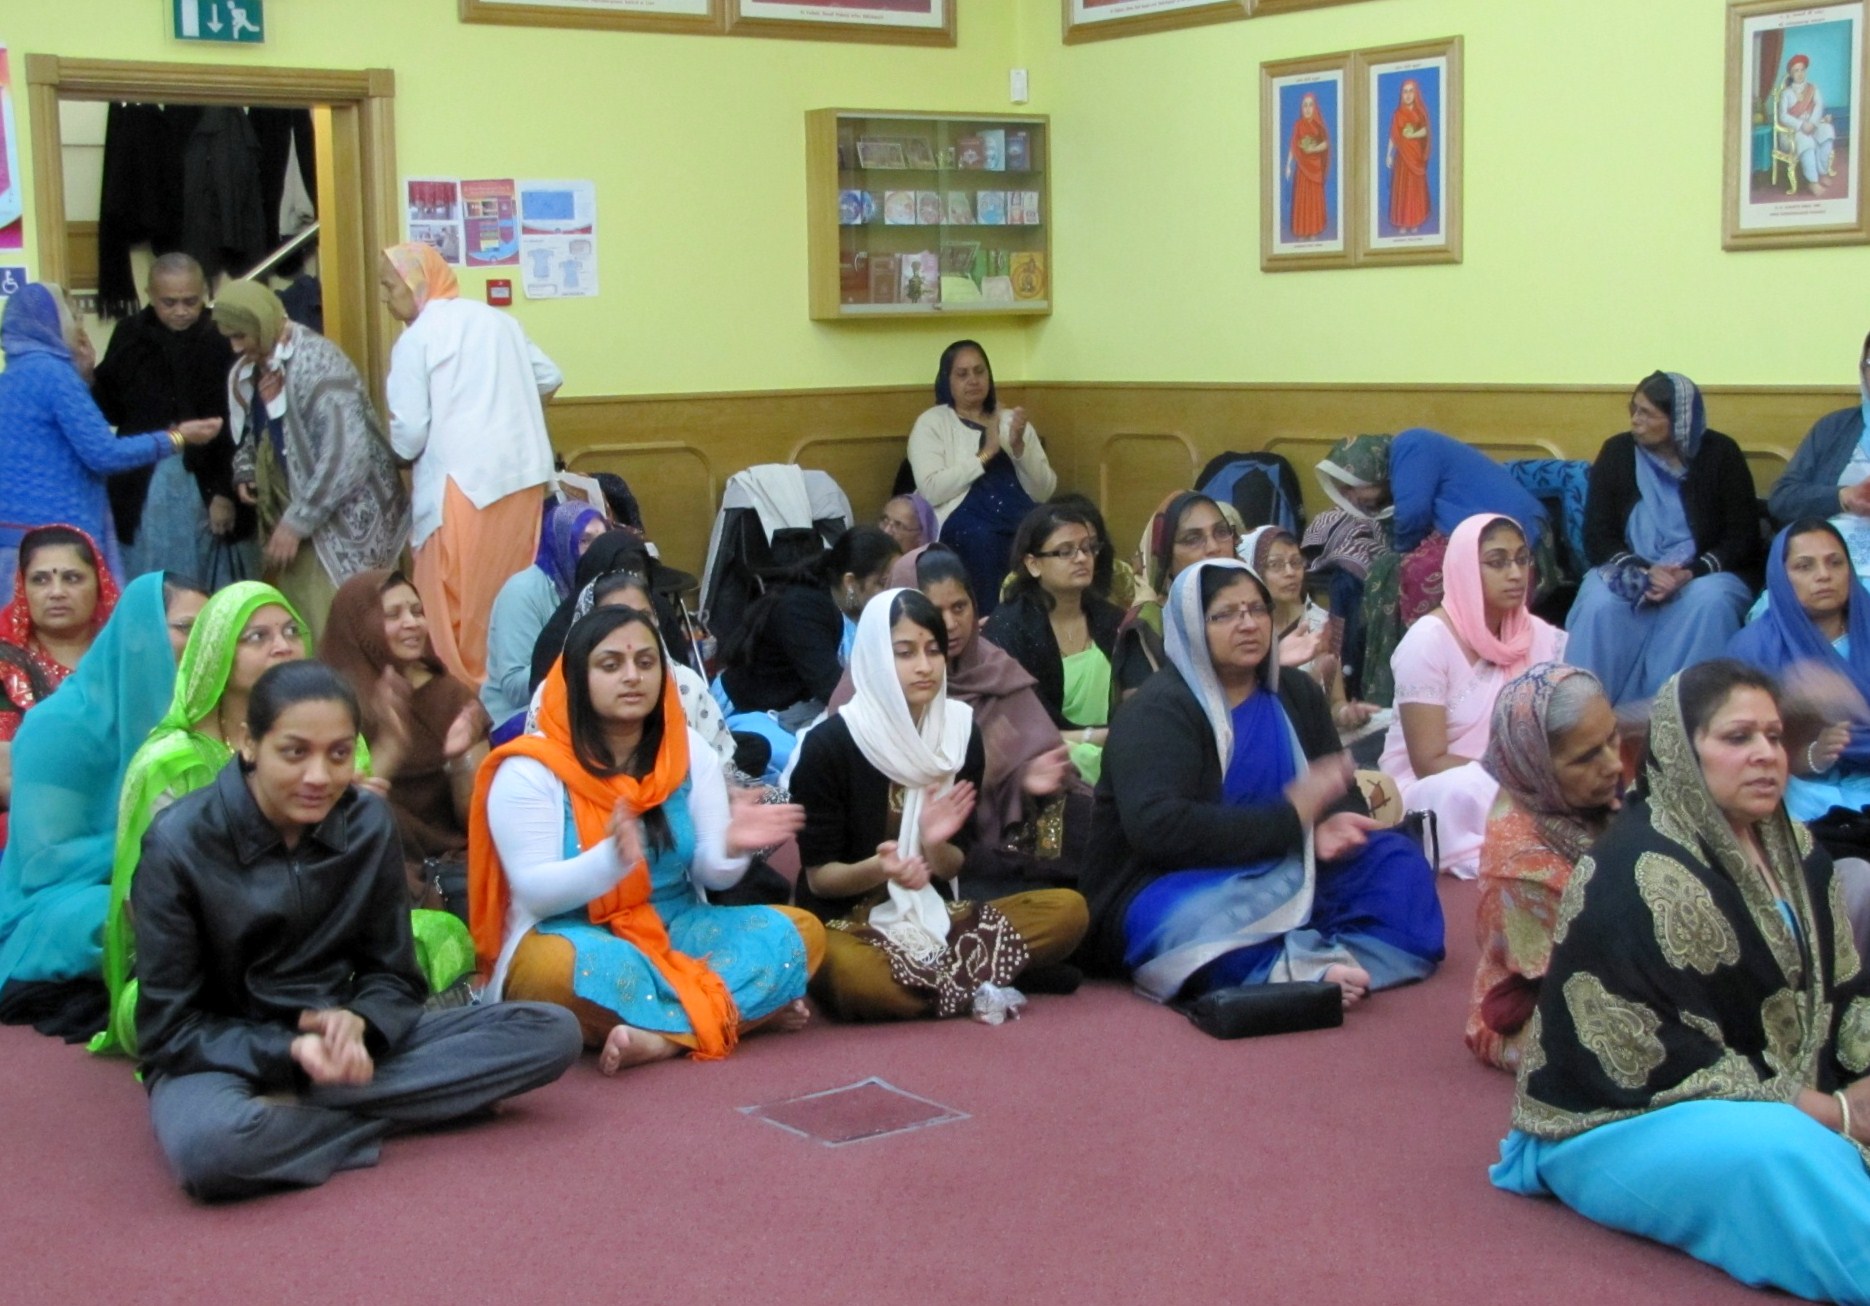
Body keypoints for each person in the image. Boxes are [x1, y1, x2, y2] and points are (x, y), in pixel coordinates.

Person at [1490, 660, 1870, 1306]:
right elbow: (1650, 1050)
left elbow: (1844, 990)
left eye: (1775, 738)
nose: (1765, 756)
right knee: (1783, 1153)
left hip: (1787, 1091)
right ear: (1681, 750)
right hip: (1618, 1116)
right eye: (1737, 738)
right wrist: (1827, 1108)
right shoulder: (1628, 868)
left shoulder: (1800, 851)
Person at [134, 660, 580, 1201]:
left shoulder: (366, 824)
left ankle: (297, 1119)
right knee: (213, 1149)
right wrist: (291, 1052)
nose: (319, 776)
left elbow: (394, 979)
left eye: (339, 754)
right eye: (295, 752)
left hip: (349, 1050)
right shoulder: (179, 844)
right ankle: (399, 1112)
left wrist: (359, 1022)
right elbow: (169, 1030)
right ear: (249, 745)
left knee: (551, 1032)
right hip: (225, 1058)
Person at [93, 582, 472, 1056]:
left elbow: (358, 866)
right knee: (145, 1015)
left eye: (291, 630)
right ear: (215, 652)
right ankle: (331, 1062)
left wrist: (382, 764)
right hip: (216, 970)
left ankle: (327, 1056)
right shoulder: (170, 760)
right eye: (256, 636)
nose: (282, 644)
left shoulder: (338, 735)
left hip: (323, 951)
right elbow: (145, 900)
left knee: (445, 940)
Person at [470, 605, 823, 1073]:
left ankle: (662, 1038)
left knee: (800, 934)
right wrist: (610, 862)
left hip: (676, 925)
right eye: (611, 664)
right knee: (554, 970)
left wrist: (732, 849)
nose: (632, 677)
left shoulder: (687, 751)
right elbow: (534, 890)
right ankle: (735, 1013)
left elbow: (707, 871)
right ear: (576, 676)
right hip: (575, 932)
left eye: (645, 662)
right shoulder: (530, 770)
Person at [1081, 559, 1443, 1005]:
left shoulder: (1296, 693)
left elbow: (1334, 791)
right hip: (1181, 879)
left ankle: (1320, 959)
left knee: (1398, 865)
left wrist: (1334, 820)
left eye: (1257, 609)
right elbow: (1160, 829)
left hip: (1293, 859)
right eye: (1226, 614)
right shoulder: (1156, 712)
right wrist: (1293, 818)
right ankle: (1289, 968)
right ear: (1192, 626)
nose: (1248, 624)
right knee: (1191, 924)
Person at [790, 587, 1088, 1022]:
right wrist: (882, 869)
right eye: (905, 653)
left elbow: (950, 869)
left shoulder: (958, 732)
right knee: (856, 978)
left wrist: (932, 844)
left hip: (934, 914)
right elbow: (820, 880)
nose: (925, 667)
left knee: (1069, 912)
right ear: (873, 656)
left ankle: (934, 984)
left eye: (933, 650)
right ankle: (983, 978)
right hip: (849, 919)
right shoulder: (830, 745)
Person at [0, 572, 206, 1040]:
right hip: (59, 900)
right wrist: (157, 853)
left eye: (207, 629)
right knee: (107, 920)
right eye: (184, 627)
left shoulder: (201, 713)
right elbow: (44, 865)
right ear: (138, 633)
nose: (198, 643)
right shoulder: (61, 725)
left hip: (175, 877)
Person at [828, 546, 1080, 900]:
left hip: (1008, 834)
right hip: (909, 857)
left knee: (1088, 828)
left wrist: (1023, 780)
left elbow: (1043, 758)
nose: (949, 624)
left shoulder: (992, 668)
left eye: (959, 607)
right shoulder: (866, 690)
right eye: (934, 611)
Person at [382, 243, 565, 687]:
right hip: (521, 483)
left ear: (416, 284)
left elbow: (409, 434)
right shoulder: (498, 320)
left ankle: (461, 707)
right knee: (509, 598)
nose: (386, 300)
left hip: (462, 490)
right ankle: (518, 696)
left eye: (390, 287)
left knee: (456, 612)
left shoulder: (418, 337)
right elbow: (550, 376)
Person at [219, 280, 409, 647]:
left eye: (241, 335)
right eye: (229, 337)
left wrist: (296, 522)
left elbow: (348, 455)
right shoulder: (254, 367)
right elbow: (253, 426)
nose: (236, 347)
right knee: (304, 625)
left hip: (342, 521)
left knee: (341, 637)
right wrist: (247, 469)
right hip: (301, 514)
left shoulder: (317, 363)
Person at [1379, 514, 1566, 878]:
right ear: (1465, 568)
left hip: (1520, 777)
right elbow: (1428, 761)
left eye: (1522, 559)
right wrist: (1517, 776)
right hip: (1438, 788)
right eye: (1497, 562)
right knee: (1470, 787)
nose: (1515, 573)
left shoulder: (1539, 635)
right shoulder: (1428, 641)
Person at [0, 283, 222, 585]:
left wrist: (85, 376)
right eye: (73, 317)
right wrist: (177, 438)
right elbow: (104, 454)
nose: (78, 326)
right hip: (58, 542)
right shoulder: (53, 374)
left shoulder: (10, 377)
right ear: (51, 323)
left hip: (13, 540)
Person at [1565, 372, 1758, 706]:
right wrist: (1642, 570)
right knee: (1599, 603)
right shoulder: (1617, 452)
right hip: (1630, 567)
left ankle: (1682, 716)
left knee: (1711, 602)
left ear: (1680, 420)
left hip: (1701, 572)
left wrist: (1688, 573)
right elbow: (1597, 533)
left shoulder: (1721, 454)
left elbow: (1743, 537)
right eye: (1634, 409)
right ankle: (1583, 714)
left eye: (1647, 414)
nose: (1635, 421)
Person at [1319, 430, 1551, 706]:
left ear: (1367, 467)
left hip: (1515, 536)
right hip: (1482, 533)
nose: (1349, 495)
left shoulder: (1411, 446)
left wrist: (1399, 550)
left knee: (1401, 571)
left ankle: (1409, 682)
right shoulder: (1406, 458)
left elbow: (1412, 514)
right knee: (1379, 570)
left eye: (1350, 485)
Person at [1466, 664, 1621, 1073]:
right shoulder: (1520, 871)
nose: (1614, 765)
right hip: (1549, 1003)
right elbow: (1586, 980)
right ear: (1535, 764)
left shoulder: (1564, 801)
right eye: (1587, 757)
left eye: (1613, 738)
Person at [320, 569, 488, 910]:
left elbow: (477, 818)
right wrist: (391, 744)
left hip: (448, 862)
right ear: (356, 626)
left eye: (417, 611)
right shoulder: (327, 703)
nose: (412, 623)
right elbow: (339, 815)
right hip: (362, 860)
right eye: (393, 615)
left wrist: (458, 760)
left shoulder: (451, 696)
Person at [90, 253, 249, 584]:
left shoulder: (221, 336)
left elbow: (240, 426)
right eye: (169, 302)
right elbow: (109, 408)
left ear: (205, 292)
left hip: (206, 480)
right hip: (142, 483)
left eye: (191, 301)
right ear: (149, 294)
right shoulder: (129, 334)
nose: (181, 311)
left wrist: (224, 491)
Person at [716, 524, 899, 759]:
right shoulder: (802, 609)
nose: (891, 591)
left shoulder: (862, 607)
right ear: (850, 582)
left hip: (803, 709)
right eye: (883, 583)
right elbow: (831, 689)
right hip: (754, 713)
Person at [907, 340, 1056, 615]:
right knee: (982, 539)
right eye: (962, 374)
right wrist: (986, 454)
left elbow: (1044, 491)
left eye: (979, 371)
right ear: (947, 381)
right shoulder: (932, 423)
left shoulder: (1011, 421)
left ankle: (1045, 623)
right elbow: (930, 490)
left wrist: (1020, 448)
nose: (973, 380)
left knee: (1050, 532)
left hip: (1018, 509)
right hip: (962, 518)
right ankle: (990, 627)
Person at [983, 503, 1123, 784]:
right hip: (1042, 760)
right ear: (1033, 564)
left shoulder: (1114, 621)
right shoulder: (1009, 627)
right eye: (1065, 551)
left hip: (1116, 747)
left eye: (1087, 548)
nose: (1081, 558)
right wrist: (1092, 738)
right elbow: (1014, 726)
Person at [1241, 524, 1375, 733]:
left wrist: (1345, 713)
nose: (1290, 573)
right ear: (1255, 570)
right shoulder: (1244, 631)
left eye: (1296, 562)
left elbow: (1335, 702)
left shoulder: (1319, 622)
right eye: (1276, 565)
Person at [482, 501, 606, 725]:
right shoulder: (522, 591)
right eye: (584, 540)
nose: (595, 551)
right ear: (560, 542)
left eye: (601, 541)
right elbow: (515, 688)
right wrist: (581, 658)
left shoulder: (602, 588)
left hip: (583, 707)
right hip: (518, 716)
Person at [1767, 333, 1870, 593]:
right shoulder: (1834, 428)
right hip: (1828, 558)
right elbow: (1782, 499)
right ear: (1863, 371)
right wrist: (1844, 497)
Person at [0, 525, 120, 747]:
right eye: (40, 580)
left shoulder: (126, 657)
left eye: (72, 578)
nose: (56, 592)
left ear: (100, 585)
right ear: (22, 588)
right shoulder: (6, 664)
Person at [1113, 492, 1239, 693]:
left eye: (1221, 532)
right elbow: (1144, 718)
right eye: (1192, 539)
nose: (1214, 547)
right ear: (1165, 557)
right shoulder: (1148, 627)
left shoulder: (1254, 607)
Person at [1778, 53, 1837, 196]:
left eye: (1802, 70)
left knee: (1827, 130)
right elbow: (1783, 116)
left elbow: (1818, 106)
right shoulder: (1786, 93)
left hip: (1811, 126)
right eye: (1796, 71)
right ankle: (1813, 182)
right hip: (1790, 133)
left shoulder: (1813, 89)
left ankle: (1822, 172)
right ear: (1791, 74)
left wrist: (1811, 123)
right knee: (1805, 139)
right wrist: (1801, 125)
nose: (1800, 73)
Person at [1385, 78, 1432, 233]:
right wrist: (1388, 155)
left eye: (1411, 91)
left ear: (1415, 93)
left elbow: (1425, 131)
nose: (1408, 95)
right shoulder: (1397, 114)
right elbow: (1393, 135)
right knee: (1403, 190)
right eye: (1405, 92)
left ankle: (1415, 221)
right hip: (1402, 158)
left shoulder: (1420, 113)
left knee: (1414, 190)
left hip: (1416, 157)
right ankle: (1403, 222)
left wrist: (1413, 135)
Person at [1285, 92, 1331, 240]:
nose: (1307, 108)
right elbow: (1293, 145)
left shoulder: (1319, 125)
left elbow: (1326, 144)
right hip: (1302, 168)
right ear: (1301, 108)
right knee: (1302, 200)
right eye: (1304, 105)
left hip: (1315, 168)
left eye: (1310, 105)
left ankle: (1313, 230)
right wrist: (1288, 164)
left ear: (1315, 107)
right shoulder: (1298, 125)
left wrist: (1314, 149)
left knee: (1313, 200)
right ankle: (1302, 230)